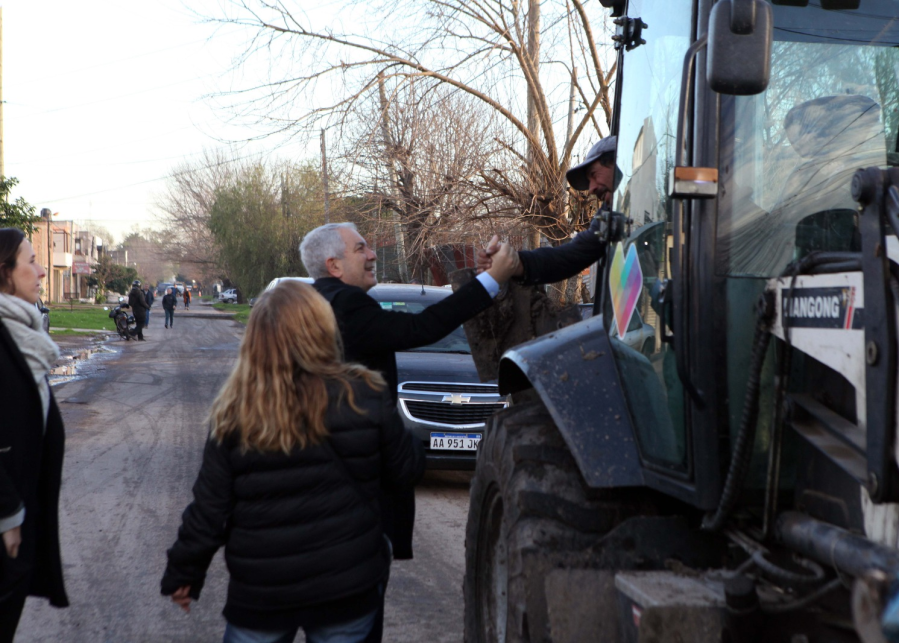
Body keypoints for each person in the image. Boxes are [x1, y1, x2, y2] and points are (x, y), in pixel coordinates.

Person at [161, 280, 424, 643]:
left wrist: (184, 573)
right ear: (322, 328)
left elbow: (209, 509)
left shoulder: (235, 411)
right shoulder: (365, 393)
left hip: (262, 593)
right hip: (348, 584)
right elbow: (404, 472)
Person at [299, 222, 517, 641]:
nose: (372, 254)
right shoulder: (346, 305)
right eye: (361, 248)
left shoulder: (313, 302)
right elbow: (422, 329)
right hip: (356, 499)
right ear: (334, 265)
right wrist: (492, 280)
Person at [0, 228, 69, 642]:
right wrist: (8, 514)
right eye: (31, 262)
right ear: (5, 273)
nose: (42, 271)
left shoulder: (23, 334)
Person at [477, 136, 623, 285]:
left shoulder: (642, 201)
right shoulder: (609, 217)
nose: (591, 189)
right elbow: (567, 257)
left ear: (619, 162)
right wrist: (513, 262)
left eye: (593, 175)